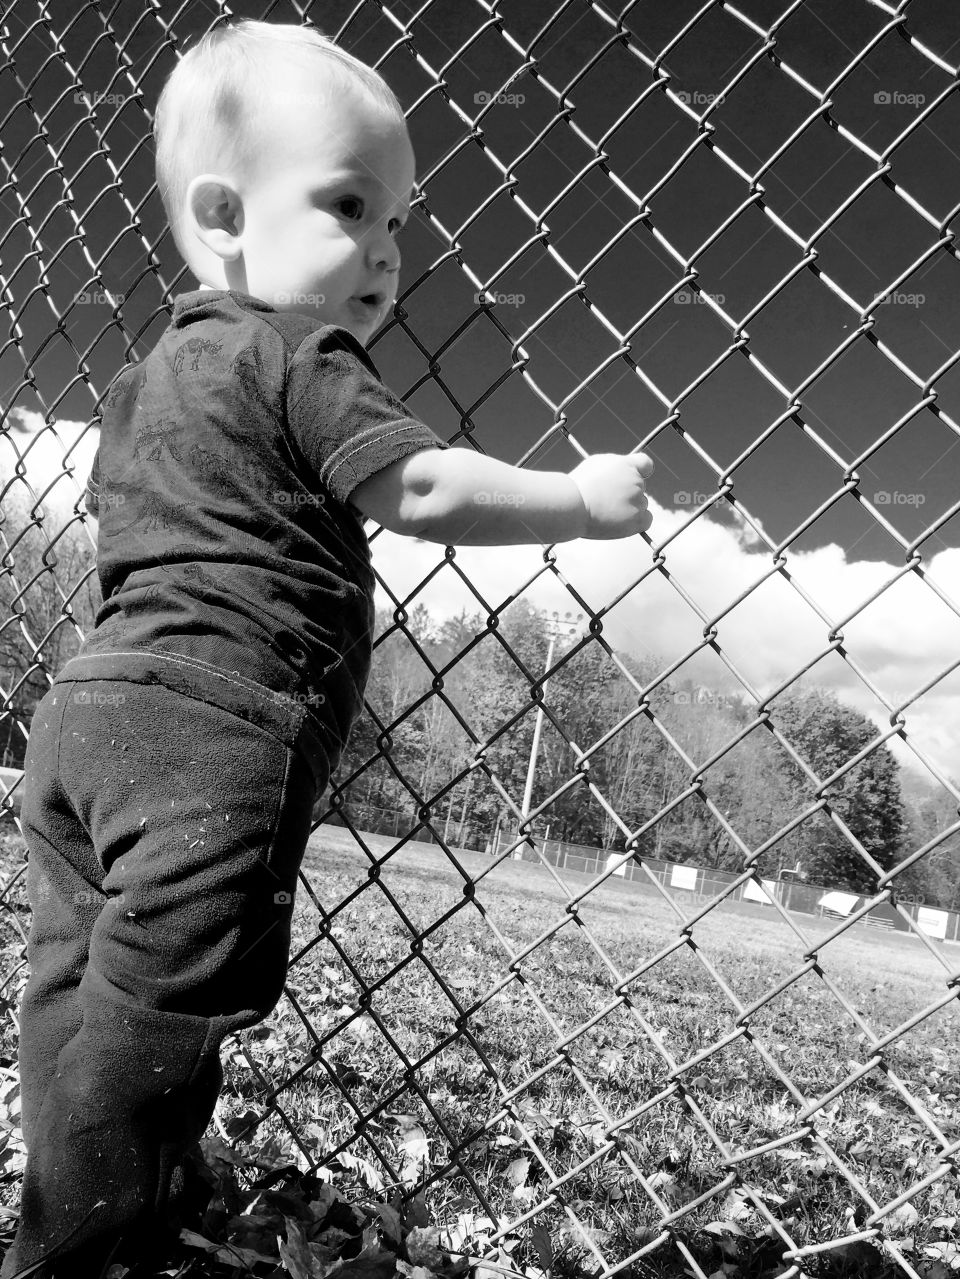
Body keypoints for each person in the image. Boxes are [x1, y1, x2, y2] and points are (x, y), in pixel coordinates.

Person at [1, 19, 653, 1278]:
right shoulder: (301, 349)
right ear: (226, 212)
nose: (389, 252)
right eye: (353, 204)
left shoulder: (151, 377)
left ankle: (122, 1171)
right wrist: (576, 501)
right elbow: (420, 490)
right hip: (211, 726)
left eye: (401, 222)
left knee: (75, 979)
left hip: (84, 713)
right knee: (162, 1005)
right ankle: (77, 1245)